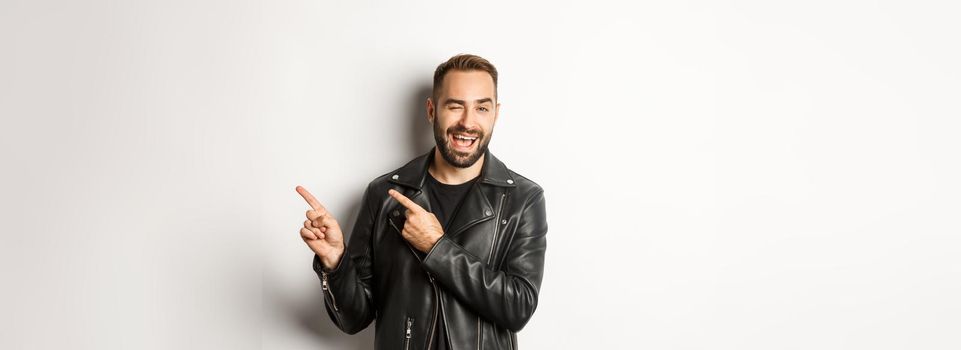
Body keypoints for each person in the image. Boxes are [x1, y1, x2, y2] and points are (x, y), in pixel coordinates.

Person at [295, 54, 548, 350]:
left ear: (495, 114)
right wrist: (336, 263)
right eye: (455, 106)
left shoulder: (523, 199)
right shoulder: (383, 194)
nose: (468, 122)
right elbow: (353, 319)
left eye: (481, 107)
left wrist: (437, 247)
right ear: (432, 110)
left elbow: (518, 308)